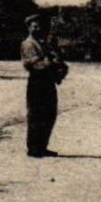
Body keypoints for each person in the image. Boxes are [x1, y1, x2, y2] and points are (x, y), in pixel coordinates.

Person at [21, 12, 66, 157]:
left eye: (39, 26)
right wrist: (51, 61)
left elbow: (53, 61)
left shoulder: (42, 43)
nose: (37, 28)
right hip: (37, 81)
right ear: (29, 27)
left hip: (47, 81)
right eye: (34, 26)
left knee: (49, 114)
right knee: (37, 115)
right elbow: (36, 65)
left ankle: (42, 146)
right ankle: (34, 148)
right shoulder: (28, 44)